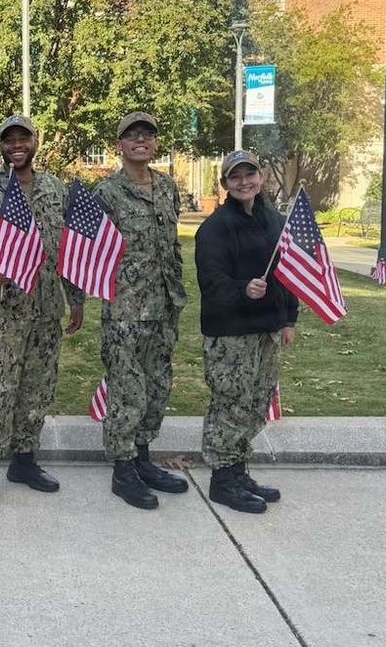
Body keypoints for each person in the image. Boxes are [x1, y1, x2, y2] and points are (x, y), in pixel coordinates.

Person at [0, 114, 84, 511]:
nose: (16, 145)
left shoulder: (54, 189)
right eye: (8, 139)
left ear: (35, 141)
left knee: (36, 390)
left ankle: (24, 462)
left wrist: (74, 297)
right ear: (0, 146)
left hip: (45, 311)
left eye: (23, 138)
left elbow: (68, 249)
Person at [93, 112, 188, 510]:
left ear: (154, 143)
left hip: (164, 307)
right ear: (119, 145)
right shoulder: (107, 193)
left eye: (147, 134)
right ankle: (123, 468)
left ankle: (143, 457)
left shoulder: (167, 187)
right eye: (131, 135)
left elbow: (172, 245)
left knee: (156, 388)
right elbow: (90, 253)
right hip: (125, 311)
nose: (140, 140)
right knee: (127, 392)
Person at [194, 151, 296, 514]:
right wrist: (243, 289)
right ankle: (222, 479)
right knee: (231, 404)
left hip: (267, 330)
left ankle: (238, 471)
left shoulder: (275, 221)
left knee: (255, 405)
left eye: (249, 174)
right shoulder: (215, 228)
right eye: (234, 177)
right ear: (225, 185)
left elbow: (289, 275)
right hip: (231, 334)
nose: (243, 182)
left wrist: (288, 320)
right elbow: (211, 282)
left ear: (262, 175)